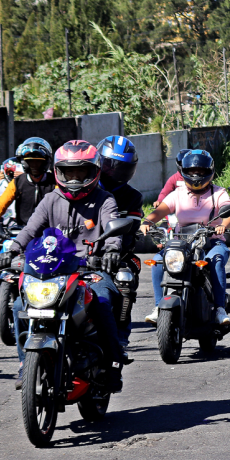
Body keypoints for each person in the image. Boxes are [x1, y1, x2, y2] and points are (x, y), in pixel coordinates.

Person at [0, 140, 126, 392]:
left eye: (81, 171)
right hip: (53, 271)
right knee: (21, 305)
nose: (75, 177)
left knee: (101, 300)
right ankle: (26, 363)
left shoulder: (105, 200)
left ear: (93, 171)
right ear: (59, 172)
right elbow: (29, 230)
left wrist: (111, 250)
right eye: (69, 171)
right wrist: (12, 250)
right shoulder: (49, 200)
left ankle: (112, 363)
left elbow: (113, 231)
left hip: (90, 270)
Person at [141, 150, 230, 327]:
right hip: (182, 242)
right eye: (191, 171)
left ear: (209, 171)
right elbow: (160, 210)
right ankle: (158, 307)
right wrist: (147, 222)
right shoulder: (178, 193)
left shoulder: (218, 192)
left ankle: (220, 309)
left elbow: (228, 213)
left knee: (216, 260)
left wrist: (223, 226)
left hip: (211, 241)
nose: (196, 175)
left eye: (200, 171)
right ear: (184, 172)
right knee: (158, 261)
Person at [96, 136, 144, 351]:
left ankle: (121, 337)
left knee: (125, 280)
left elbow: (129, 231)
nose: (113, 172)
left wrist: (114, 251)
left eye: (120, 168)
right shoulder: (87, 190)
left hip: (120, 254)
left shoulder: (132, 196)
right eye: (109, 166)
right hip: (84, 251)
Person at [0, 138, 56, 225]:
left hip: (49, 232)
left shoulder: (55, 182)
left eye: (38, 162)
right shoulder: (17, 182)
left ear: (46, 162)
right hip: (22, 231)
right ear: (23, 163)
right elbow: (1, 203)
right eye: (30, 162)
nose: (34, 165)